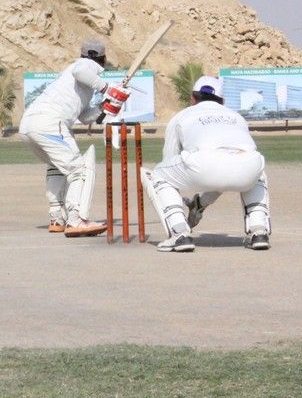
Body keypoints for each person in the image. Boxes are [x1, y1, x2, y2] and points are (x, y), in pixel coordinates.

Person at [142, 75, 272, 252]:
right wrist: (201, 202)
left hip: (203, 165)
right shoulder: (237, 117)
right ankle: (259, 231)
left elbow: (169, 159)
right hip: (248, 164)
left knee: (159, 174)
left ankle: (179, 233)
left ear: (192, 99)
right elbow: (225, 169)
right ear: (222, 101)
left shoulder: (182, 116)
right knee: (256, 173)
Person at [18, 40, 130, 237]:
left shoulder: (79, 82)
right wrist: (107, 89)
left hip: (29, 125)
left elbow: (84, 117)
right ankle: (76, 219)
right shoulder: (85, 66)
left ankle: (57, 217)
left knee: (56, 166)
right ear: (103, 58)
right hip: (50, 123)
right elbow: (81, 71)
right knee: (79, 170)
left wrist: (106, 106)